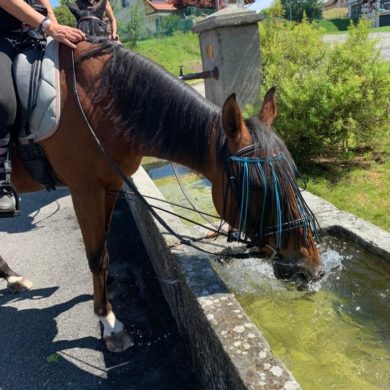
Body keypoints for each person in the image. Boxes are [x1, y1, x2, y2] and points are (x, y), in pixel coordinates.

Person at [0, 0, 85, 217]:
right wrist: (49, 26)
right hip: (3, 37)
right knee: (3, 101)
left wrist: (55, 29)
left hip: (35, 35)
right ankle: (2, 182)